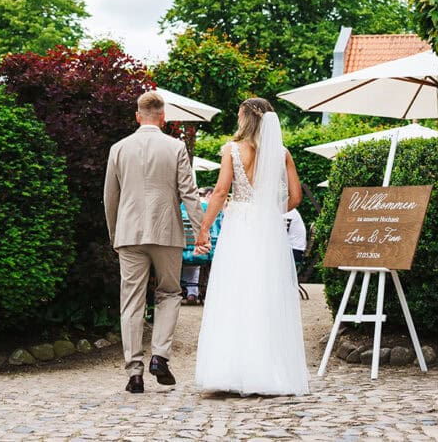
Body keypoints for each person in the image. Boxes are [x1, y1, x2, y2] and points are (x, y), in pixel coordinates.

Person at [194, 97, 310, 395]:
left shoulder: (232, 150)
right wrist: (269, 209)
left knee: (235, 292)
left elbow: (220, 192)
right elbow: (295, 198)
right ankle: (266, 371)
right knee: (265, 294)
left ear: (245, 117)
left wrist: (204, 228)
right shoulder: (281, 153)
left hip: (239, 228)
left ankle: (230, 371)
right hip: (266, 229)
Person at [104, 90, 205, 394]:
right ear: (163, 117)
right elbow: (189, 193)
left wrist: (114, 234)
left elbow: (110, 197)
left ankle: (134, 373)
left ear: (138, 116)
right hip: (166, 232)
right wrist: (201, 232)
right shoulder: (176, 147)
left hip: (129, 234)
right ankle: (159, 356)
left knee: (131, 302)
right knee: (170, 293)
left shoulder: (118, 149)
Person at [180, 189, 220, 305]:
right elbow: (216, 233)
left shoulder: (180, 206)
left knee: (190, 252)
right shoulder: (209, 209)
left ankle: (188, 291)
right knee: (200, 253)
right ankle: (194, 292)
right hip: (203, 254)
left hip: (180, 253)